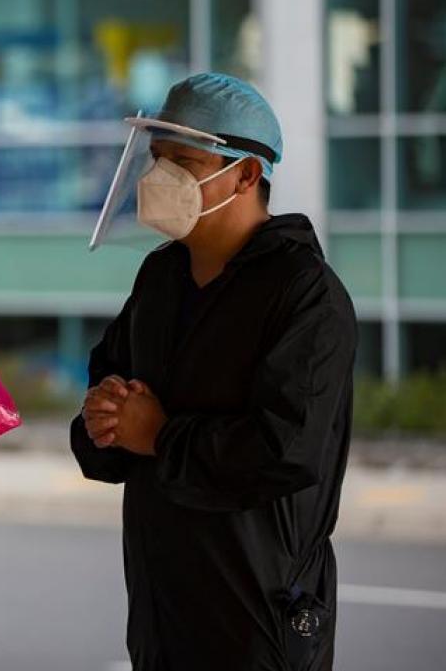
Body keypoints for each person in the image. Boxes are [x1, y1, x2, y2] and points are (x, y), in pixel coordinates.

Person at [73, 73, 357, 671]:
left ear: (247, 174)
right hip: (161, 612)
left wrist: (158, 435)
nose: (159, 176)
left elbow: (285, 450)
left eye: (183, 161)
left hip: (258, 616)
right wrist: (103, 421)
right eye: (157, 158)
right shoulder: (162, 277)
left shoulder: (304, 294)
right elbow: (107, 405)